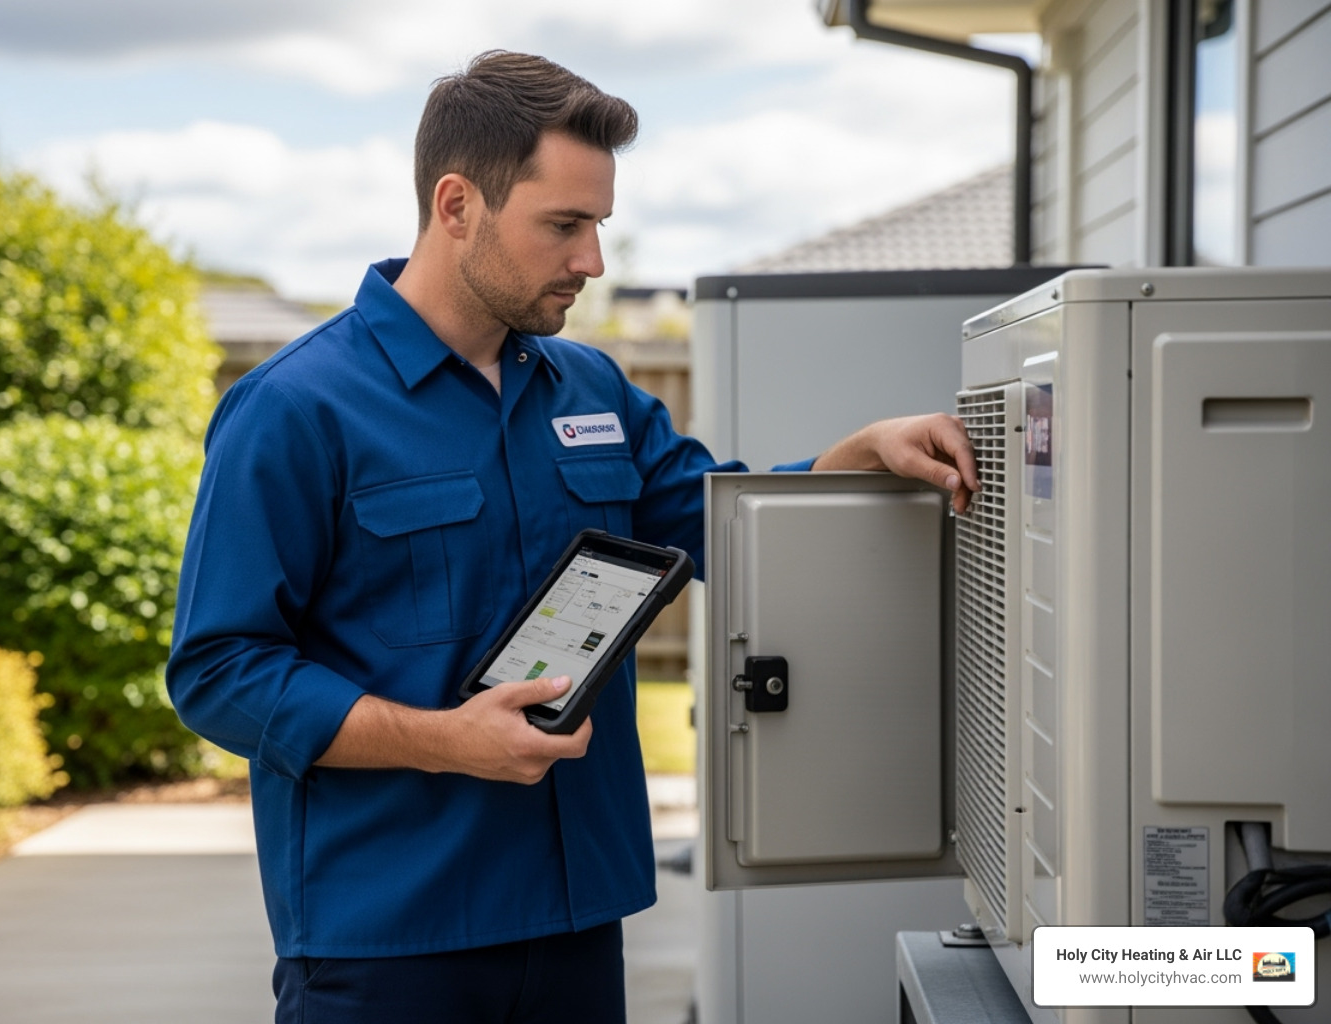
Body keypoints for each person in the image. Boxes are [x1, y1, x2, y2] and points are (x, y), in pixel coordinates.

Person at [166, 50, 979, 1024]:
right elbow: (219, 670)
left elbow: (721, 518)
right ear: (456, 205)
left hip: (577, 925)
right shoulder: (294, 410)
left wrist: (860, 454)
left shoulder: (591, 391)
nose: (593, 259)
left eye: (598, 224)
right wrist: (443, 741)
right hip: (388, 944)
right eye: (564, 225)